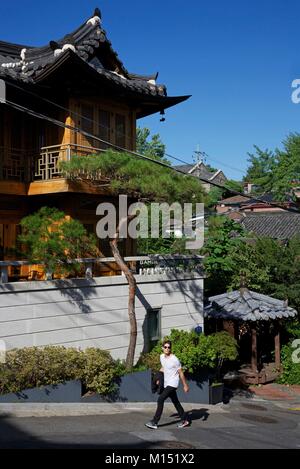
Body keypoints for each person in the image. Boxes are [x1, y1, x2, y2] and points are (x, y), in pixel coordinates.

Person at [145, 339, 190, 429]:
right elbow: (163, 368)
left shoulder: (175, 359)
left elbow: (180, 372)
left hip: (173, 384)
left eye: (169, 347)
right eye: (165, 347)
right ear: (162, 348)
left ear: (170, 349)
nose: (167, 349)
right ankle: (185, 420)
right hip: (166, 383)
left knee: (160, 399)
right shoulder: (162, 357)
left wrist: (185, 385)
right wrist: (158, 378)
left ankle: (154, 422)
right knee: (176, 402)